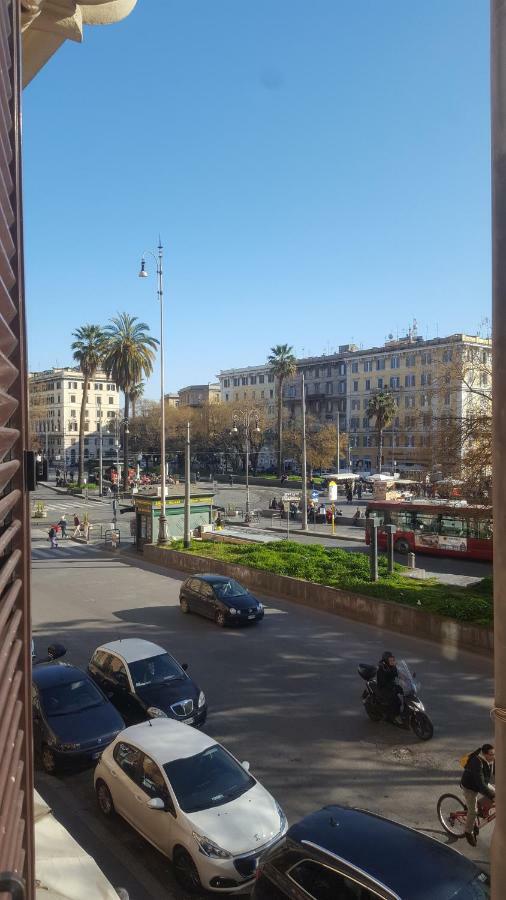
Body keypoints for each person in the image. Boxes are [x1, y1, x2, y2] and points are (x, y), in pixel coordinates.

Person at [461, 744, 495, 846]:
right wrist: (493, 797)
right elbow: (480, 785)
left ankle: (480, 807)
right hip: (470, 787)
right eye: (491, 754)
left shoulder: (490, 759)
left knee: (496, 793)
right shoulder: (476, 763)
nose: (494, 756)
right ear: (484, 754)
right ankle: (468, 832)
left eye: (494, 754)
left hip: (482, 782)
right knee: (473, 812)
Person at [376, 651, 403, 723]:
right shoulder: (381, 669)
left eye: (392, 659)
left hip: (391, 685)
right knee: (397, 701)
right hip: (384, 688)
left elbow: (397, 674)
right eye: (389, 659)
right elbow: (382, 682)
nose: (391, 660)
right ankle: (394, 716)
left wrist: (406, 678)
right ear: (386, 660)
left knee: (404, 692)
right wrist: (393, 686)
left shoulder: (391, 665)